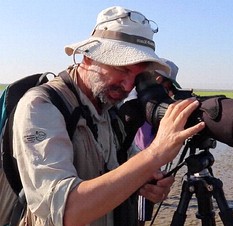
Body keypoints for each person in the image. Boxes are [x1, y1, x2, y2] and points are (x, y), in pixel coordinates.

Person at [12, 6, 205, 226]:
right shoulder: (41, 106)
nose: (128, 85)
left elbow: (129, 166)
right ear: (88, 58)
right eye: (122, 69)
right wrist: (155, 154)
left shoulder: (109, 110)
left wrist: (148, 180)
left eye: (138, 76)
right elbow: (67, 212)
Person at [134, 59, 181, 226]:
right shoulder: (144, 108)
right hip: (141, 164)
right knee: (140, 213)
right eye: (168, 87)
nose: (169, 93)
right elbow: (144, 141)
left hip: (153, 164)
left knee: (145, 209)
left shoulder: (151, 107)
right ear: (159, 80)